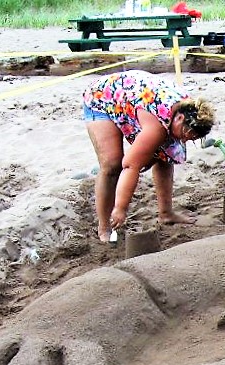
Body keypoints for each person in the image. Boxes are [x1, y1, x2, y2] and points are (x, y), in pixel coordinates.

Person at [82, 70, 214, 243]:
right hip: (103, 96)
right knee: (112, 165)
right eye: (185, 134)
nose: (184, 140)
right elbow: (130, 165)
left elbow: (168, 150)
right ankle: (105, 227)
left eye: (190, 139)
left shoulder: (191, 110)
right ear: (179, 118)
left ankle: (166, 213)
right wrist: (121, 208)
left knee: (167, 154)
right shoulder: (157, 125)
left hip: (134, 98)